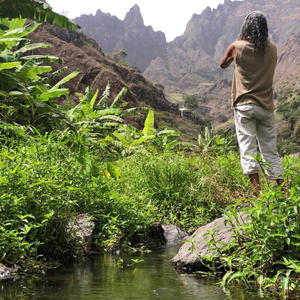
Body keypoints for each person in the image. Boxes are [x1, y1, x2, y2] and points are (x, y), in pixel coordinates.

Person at [219, 11, 284, 193]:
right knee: (270, 151)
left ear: (246, 27)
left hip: (245, 106)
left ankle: (257, 195)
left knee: (248, 149)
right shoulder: (273, 49)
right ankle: (284, 191)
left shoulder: (237, 47)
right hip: (266, 107)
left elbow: (222, 64)